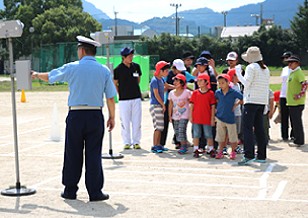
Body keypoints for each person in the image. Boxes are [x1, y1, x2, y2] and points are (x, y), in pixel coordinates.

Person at [31, 36, 117, 201]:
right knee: (93, 154)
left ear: (82, 50)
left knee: (73, 152)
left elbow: (50, 77)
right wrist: (112, 117)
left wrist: (35, 75)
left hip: (76, 114)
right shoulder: (104, 70)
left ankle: (70, 190)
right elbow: (111, 97)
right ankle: (95, 192)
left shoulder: (72, 67)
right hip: (95, 115)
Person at [235, 46, 270, 165]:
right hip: (261, 102)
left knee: (248, 129)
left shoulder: (251, 67)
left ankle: (249, 155)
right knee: (259, 129)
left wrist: (238, 74)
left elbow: (246, 83)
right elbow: (265, 87)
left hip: (251, 102)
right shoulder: (266, 69)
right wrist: (265, 104)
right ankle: (261, 155)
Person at [160, 59, 195, 149]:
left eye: (181, 69)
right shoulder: (168, 74)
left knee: (179, 123)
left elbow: (194, 80)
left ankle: (179, 141)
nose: (179, 71)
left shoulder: (183, 74)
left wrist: (193, 90)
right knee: (166, 123)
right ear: (173, 68)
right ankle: (161, 144)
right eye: (177, 69)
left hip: (182, 104)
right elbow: (164, 85)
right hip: (169, 101)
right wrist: (176, 87)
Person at [114, 46, 142, 150]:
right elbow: (115, 83)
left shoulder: (136, 67)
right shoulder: (118, 69)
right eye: (129, 56)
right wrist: (120, 93)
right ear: (123, 57)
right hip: (124, 99)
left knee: (137, 121)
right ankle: (126, 142)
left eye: (132, 55)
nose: (131, 57)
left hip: (136, 98)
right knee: (125, 121)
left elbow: (138, 80)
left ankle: (136, 141)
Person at [214, 74, 243, 160]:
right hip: (220, 117)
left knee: (233, 136)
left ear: (228, 82)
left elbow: (242, 98)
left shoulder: (233, 92)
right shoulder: (218, 92)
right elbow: (216, 100)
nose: (221, 85)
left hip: (230, 118)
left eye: (223, 83)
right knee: (220, 136)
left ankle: (233, 152)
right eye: (219, 83)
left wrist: (235, 105)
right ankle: (221, 151)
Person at [190, 74, 216, 158]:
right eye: (198, 81)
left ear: (206, 82)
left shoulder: (211, 93)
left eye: (201, 80)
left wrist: (212, 119)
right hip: (196, 117)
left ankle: (211, 149)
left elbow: (212, 107)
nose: (199, 82)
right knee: (196, 134)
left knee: (208, 134)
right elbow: (192, 105)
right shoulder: (195, 93)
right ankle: (196, 149)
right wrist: (191, 116)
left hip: (207, 118)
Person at [285, 55, 307, 147]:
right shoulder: (292, 72)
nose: (290, 64)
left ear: (298, 63)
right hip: (292, 102)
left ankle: (299, 141)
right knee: (294, 122)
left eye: (292, 62)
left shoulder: (298, 72)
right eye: (289, 62)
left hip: (297, 103)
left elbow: (305, 84)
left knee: (297, 122)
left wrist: (300, 95)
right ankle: (297, 139)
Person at [150, 61, 170, 153]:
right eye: (166, 71)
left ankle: (158, 145)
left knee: (161, 127)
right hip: (156, 105)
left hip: (160, 105)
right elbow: (156, 94)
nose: (167, 73)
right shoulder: (154, 80)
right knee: (158, 127)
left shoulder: (161, 79)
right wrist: (163, 104)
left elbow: (167, 86)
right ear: (160, 71)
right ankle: (154, 146)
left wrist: (177, 87)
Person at [168, 74, 191, 154]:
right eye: (174, 81)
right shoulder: (171, 93)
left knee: (181, 129)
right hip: (175, 115)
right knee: (177, 131)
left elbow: (191, 103)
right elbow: (170, 104)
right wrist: (170, 116)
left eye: (177, 81)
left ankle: (184, 146)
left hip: (185, 114)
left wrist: (191, 114)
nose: (174, 82)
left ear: (182, 83)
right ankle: (183, 142)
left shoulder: (187, 92)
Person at [227, 68, 244, 153]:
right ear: (233, 76)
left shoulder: (238, 85)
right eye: (237, 75)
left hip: (238, 112)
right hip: (231, 112)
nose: (239, 77)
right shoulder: (230, 86)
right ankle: (224, 148)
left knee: (236, 130)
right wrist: (236, 104)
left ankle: (236, 146)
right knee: (229, 131)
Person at [280, 51, 293, 141]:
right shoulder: (284, 69)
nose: (285, 60)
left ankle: (293, 134)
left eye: (286, 58)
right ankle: (284, 135)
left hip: (291, 95)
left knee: (293, 116)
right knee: (284, 116)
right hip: (283, 94)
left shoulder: (295, 69)